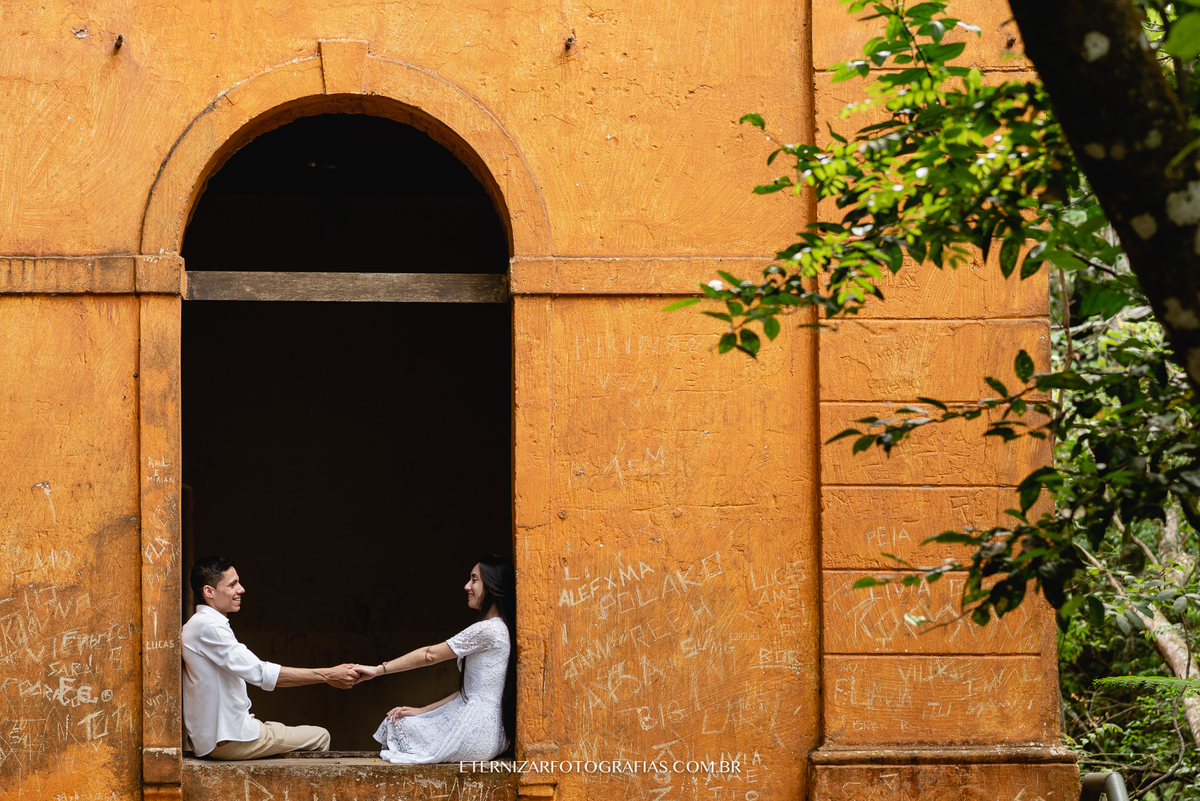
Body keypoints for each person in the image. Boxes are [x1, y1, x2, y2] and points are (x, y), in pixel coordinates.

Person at [182, 556, 360, 760]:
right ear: (209, 592)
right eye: (232, 585)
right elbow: (261, 673)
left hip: (225, 735)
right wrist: (328, 675)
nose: (241, 589)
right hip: (230, 739)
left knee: (284, 733)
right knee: (320, 737)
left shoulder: (201, 624)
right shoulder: (208, 627)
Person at [353, 554, 516, 764]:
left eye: (474, 580)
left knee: (397, 724)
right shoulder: (501, 628)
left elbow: (429, 655)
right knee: (403, 720)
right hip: (490, 733)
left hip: (475, 731)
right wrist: (422, 711)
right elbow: (469, 692)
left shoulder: (487, 630)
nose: (467, 586)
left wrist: (377, 670)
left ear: (494, 586)